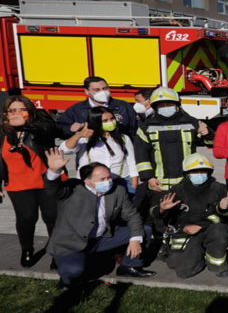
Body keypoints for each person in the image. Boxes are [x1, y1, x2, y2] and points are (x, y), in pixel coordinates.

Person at [45, 148, 155, 288]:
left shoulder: (118, 191)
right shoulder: (73, 188)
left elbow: (132, 215)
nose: (108, 181)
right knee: (74, 271)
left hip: (101, 238)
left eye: (109, 177)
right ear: (87, 181)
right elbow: (53, 189)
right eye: (102, 179)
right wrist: (54, 172)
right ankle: (67, 279)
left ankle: (129, 267)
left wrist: (134, 240)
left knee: (143, 231)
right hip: (70, 243)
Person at [150, 153, 228, 279]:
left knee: (220, 230)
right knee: (185, 272)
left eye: (203, 171)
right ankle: (195, 254)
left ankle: (217, 266)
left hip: (209, 228)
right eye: (194, 171)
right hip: (185, 231)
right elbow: (155, 213)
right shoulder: (177, 190)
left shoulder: (219, 189)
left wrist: (221, 210)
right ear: (187, 173)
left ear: (209, 172)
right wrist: (161, 210)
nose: (199, 174)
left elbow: (224, 217)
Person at [0, 96, 58, 267]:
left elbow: (48, 130)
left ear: (30, 111)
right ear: (6, 114)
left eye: (22, 109)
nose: (17, 113)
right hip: (18, 184)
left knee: (52, 217)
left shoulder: (39, 127)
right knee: (26, 218)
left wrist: (26, 125)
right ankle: (27, 249)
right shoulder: (3, 133)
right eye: (12, 110)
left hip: (46, 181)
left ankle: (56, 252)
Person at [134, 87, 211, 193]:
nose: (166, 108)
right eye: (161, 105)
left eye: (170, 104)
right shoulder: (146, 127)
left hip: (188, 184)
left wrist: (208, 133)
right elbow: (141, 156)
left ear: (177, 105)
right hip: (159, 185)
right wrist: (149, 178)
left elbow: (212, 143)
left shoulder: (192, 122)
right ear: (155, 107)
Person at [60, 107, 138, 193]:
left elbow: (132, 162)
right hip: (92, 184)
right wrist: (78, 135)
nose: (110, 122)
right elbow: (65, 150)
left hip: (119, 182)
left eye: (112, 119)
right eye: (105, 121)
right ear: (96, 122)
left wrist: (133, 185)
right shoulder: (85, 139)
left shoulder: (124, 138)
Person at [55, 76, 138, 137]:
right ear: (87, 92)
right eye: (97, 90)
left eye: (105, 88)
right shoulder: (77, 110)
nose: (102, 92)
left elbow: (135, 129)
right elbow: (59, 129)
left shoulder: (123, 106)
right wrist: (70, 129)